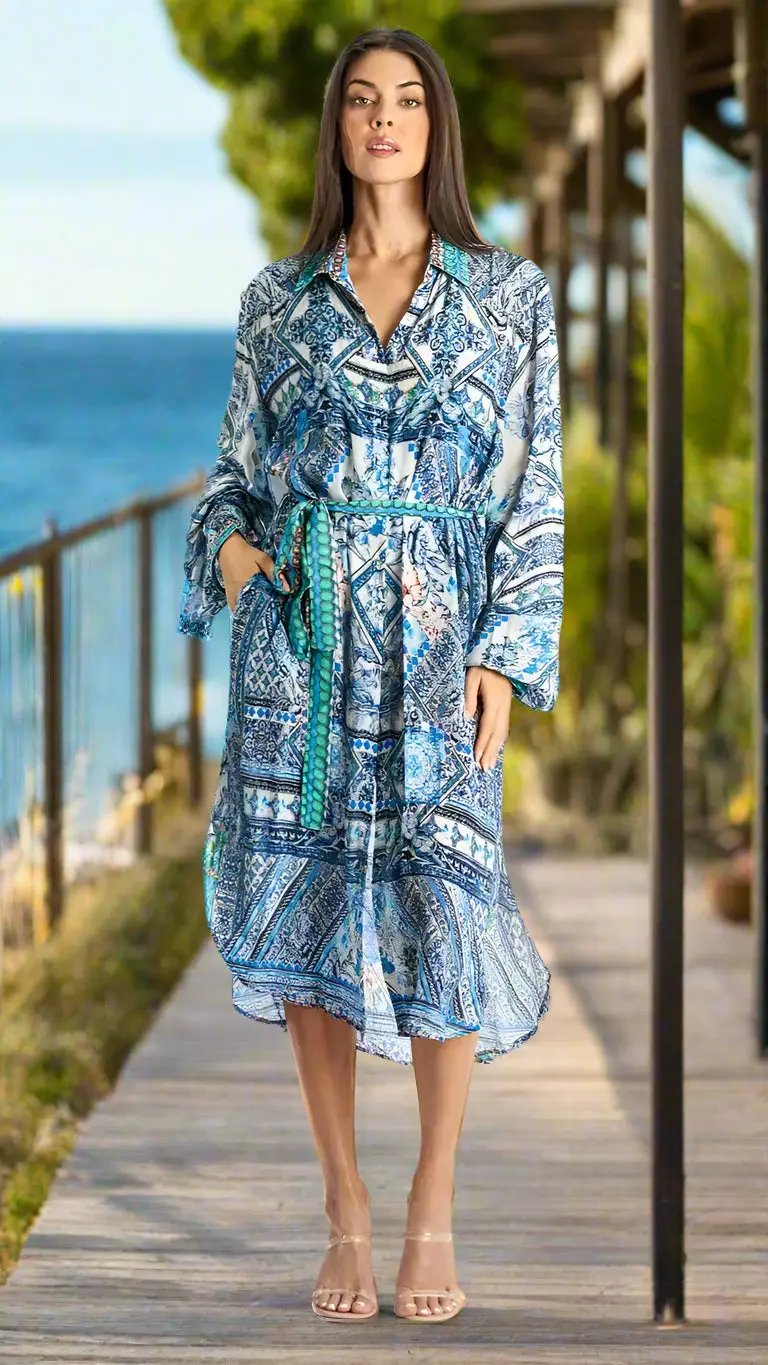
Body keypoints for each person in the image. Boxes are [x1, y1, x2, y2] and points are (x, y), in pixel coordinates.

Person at [178, 26, 564, 1327]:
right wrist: (234, 557)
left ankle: (430, 1204)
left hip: (446, 648)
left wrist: (509, 651)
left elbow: (539, 497)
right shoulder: (279, 303)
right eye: (362, 99)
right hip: (304, 639)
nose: (384, 118)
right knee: (309, 920)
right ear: (337, 129)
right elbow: (230, 480)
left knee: (446, 910)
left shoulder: (510, 295)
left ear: (435, 126)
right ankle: (343, 1199)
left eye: (406, 98)